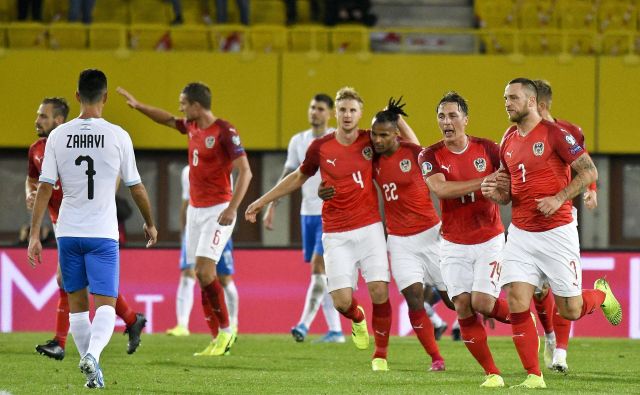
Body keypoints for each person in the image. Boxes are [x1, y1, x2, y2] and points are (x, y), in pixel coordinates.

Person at [481, 77, 622, 389]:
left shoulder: (556, 134)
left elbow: (589, 171)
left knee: (569, 309)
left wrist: (559, 198)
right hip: (520, 233)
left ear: (532, 102)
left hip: (557, 232)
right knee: (517, 299)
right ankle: (534, 376)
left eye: (513, 98)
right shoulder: (507, 138)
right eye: (505, 98)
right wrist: (497, 193)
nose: (507, 103)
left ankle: (601, 295)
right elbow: (510, 189)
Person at [247, 87, 397, 372]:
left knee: (379, 290)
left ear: (360, 113)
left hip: (369, 227)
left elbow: (402, 147)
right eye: (343, 110)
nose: (348, 115)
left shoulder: (371, 139)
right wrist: (263, 200)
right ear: (335, 114)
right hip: (336, 232)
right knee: (342, 302)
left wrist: (398, 118)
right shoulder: (321, 147)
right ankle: (357, 318)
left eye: (353, 110)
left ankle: (380, 355)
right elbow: (297, 177)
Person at [27, 69, 158, 389]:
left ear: (76, 96)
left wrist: (34, 234)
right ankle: (93, 356)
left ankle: (93, 371)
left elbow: (43, 188)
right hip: (102, 233)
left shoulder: (57, 137)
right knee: (106, 304)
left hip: (68, 231)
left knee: (77, 306)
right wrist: (150, 222)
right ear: (106, 97)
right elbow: (136, 187)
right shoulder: (118, 135)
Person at [116, 82, 252, 356]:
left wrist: (232, 208)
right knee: (200, 276)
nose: (180, 108)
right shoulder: (192, 127)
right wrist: (139, 106)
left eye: (183, 103)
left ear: (196, 106)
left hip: (218, 210)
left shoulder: (224, 131)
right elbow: (166, 119)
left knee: (204, 272)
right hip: (195, 212)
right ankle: (217, 339)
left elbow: (245, 172)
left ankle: (226, 331)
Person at [321, 104, 451, 370]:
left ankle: (504, 313)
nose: (377, 140)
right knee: (414, 298)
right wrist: (324, 190)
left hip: (430, 235)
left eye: (384, 135)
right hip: (399, 240)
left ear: (396, 134)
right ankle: (436, 358)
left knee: (455, 300)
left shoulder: (414, 153)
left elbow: (431, 169)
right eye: (375, 135)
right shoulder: (373, 159)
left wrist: (397, 117)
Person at [418, 91, 512, 388]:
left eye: (452, 115)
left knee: (483, 302)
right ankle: (492, 373)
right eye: (441, 116)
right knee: (462, 305)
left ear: (465, 119)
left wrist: (501, 190)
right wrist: (484, 182)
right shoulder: (429, 155)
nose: (446, 122)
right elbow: (441, 190)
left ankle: (522, 319)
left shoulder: (489, 149)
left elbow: (508, 189)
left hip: (488, 237)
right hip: (453, 242)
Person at [262, 94, 344, 344]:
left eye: (320, 109)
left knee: (318, 270)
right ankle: (336, 331)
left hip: (330, 214)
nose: (314, 112)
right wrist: (271, 206)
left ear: (329, 113)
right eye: (312, 107)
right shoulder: (298, 141)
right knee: (323, 275)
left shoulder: (336, 139)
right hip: (307, 214)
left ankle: (303, 324)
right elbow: (290, 174)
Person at [530, 79, 598, 373]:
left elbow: (585, 163)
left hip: (560, 221)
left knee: (562, 293)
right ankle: (548, 336)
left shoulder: (569, 132)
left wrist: (591, 188)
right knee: (534, 290)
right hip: (529, 224)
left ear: (540, 105)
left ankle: (560, 354)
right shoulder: (518, 133)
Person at [167, 166, 239, 347]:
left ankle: (233, 324)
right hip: (196, 226)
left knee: (224, 278)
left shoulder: (224, 167)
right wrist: (184, 234)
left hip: (218, 227)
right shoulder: (187, 171)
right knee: (189, 274)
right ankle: (182, 325)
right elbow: (187, 202)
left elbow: (228, 199)